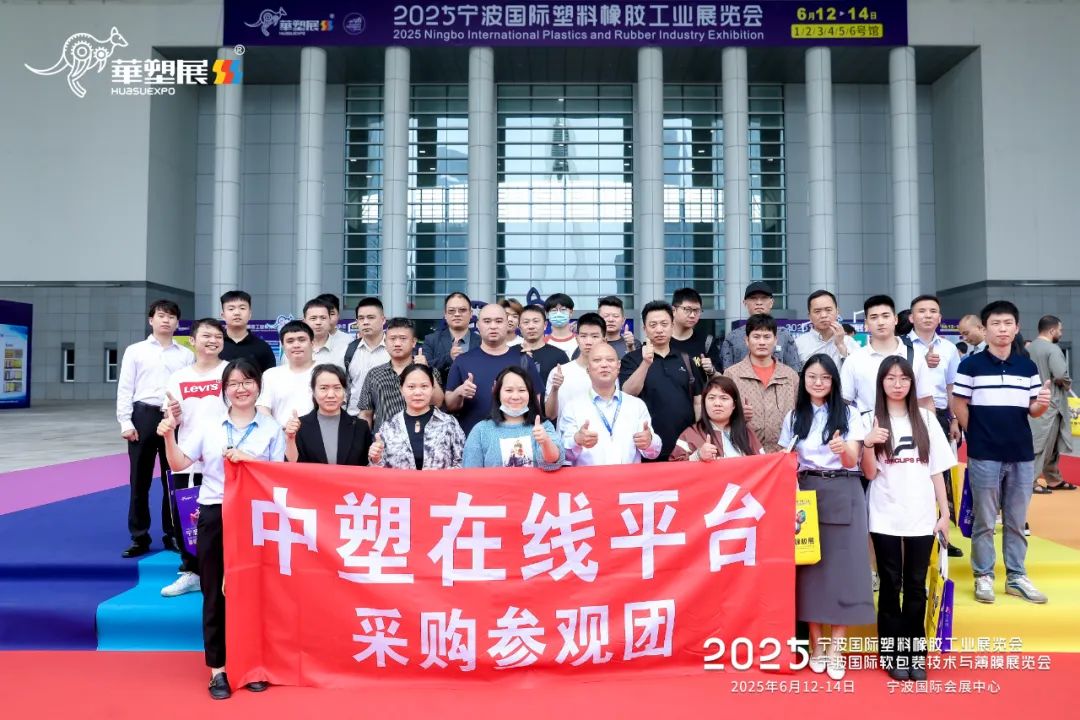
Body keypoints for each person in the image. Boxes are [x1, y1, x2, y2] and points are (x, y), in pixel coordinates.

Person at [158, 358, 283, 700]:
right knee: (214, 591)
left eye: (248, 382)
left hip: (255, 517)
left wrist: (251, 461)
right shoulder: (209, 426)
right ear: (224, 390)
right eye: (234, 383)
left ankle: (252, 663)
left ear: (258, 386)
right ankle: (218, 669)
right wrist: (168, 436)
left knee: (254, 592)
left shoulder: (271, 428)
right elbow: (179, 463)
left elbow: (279, 476)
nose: (241, 389)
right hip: (215, 512)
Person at [778, 354, 872, 681]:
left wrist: (842, 449)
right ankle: (816, 645)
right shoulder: (794, 416)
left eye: (825, 378)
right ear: (803, 380)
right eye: (812, 377)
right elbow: (787, 460)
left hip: (844, 489)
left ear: (834, 381)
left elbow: (852, 460)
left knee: (843, 571)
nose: (818, 383)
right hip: (805, 495)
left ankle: (837, 648)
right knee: (810, 572)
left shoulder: (849, 413)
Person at [952, 300, 1052, 605]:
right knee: (984, 519)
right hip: (984, 454)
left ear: (1017, 328)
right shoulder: (970, 365)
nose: (1002, 329)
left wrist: (1042, 404)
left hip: (1021, 453)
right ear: (984, 329)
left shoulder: (1027, 367)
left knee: (1016, 519)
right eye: (995, 324)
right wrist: (976, 434)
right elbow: (959, 404)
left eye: (1008, 323)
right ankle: (983, 575)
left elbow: (1033, 410)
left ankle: (1016, 576)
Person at [861, 357, 953, 682]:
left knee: (916, 586)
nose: (897, 384)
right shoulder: (869, 419)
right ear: (881, 383)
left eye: (903, 378)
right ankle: (891, 653)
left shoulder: (926, 418)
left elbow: (937, 469)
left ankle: (915, 653)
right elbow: (868, 473)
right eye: (891, 378)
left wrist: (945, 513)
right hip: (884, 513)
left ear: (912, 383)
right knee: (890, 585)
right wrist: (869, 442)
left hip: (921, 514)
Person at [116, 299, 194, 558]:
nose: (166, 320)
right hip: (144, 416)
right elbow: (125, 388)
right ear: (151, 320)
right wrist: (126, 422)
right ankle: (139, 536)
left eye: (171, 316)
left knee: (173, 479)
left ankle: (172, 533)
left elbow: (187, 389)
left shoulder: (186, 355)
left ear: (177, 323)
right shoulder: (135, 351)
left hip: (173, 418)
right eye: (161, 315)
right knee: (139, 480)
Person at [160, 318, 228, 597]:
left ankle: (223, 573)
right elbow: (171, 417)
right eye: (206, 336)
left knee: (221, 520)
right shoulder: (179, 377)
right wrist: (173, 416)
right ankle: (192, 572)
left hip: (223, 458)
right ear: (192, 340)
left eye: (217, 336)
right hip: (187, 457)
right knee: (187, 518)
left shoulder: (229, 371)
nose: (212, 341)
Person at [619, 301, 705, 461]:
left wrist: (700, 435)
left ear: (672, 326)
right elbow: (628, 393)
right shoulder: (631, 359)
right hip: (646, 448)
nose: (659, 329)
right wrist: (646, 363)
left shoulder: (685, 359)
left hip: (684, 448)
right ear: (644, 329)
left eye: (664, 324)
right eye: (653, 325)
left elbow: (698, 402)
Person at [444, 303, 543, 435]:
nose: (493, 326)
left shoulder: (523, 360)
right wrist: (459, 392)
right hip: (473, 437)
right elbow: (450, 405)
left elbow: (536, 403)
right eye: (487, 321)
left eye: (499, 321)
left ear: (507, 324)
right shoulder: (462, 361)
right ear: (478, 325)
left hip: (516, 439)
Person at [561, 342, 661, 465]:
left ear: (618, 366)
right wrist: (576, 440)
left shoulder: (636, 405)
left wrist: (649, 442)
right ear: (588, 369)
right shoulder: (573, 407)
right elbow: (563, 456)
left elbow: (653, 453)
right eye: (597, 360)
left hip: (629, 477)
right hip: (589, 477)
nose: (604, 365)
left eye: (610, 360)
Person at [841, 295, 934, 420]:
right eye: (874, 317)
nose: (880, 322)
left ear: (895, 319)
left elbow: (925, 401)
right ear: (866, 324)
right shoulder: (854, 360)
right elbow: (844, 401)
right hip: (868, 428)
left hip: (909, 427)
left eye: (885, 316)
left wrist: (929, 429)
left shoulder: (915, 356)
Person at [723, 314, 799, 452]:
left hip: (783, 454)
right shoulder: (731, 375)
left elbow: (801, 413)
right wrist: (736, 414)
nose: (762, 342)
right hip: (745, 453)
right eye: (756, 337)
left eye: (767, 337)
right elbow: (719, 416)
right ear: (747, 340)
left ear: (775, 340)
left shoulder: (790, 376)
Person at [463, 367, 564, 469]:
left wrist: (545, 441)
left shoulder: (543, 427)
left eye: (522, 390)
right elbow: (470, 473)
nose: (515, 396)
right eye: (509, 390)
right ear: (498, 393)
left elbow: (553, 462)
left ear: (530, 394)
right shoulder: (481, 430)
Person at [369, 364, 464, 470]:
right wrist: (376, 459)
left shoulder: (449, 423)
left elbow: (463, 462)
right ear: (401, 389)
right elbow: (377, 471)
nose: (418, 392)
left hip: (440, 481)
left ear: (432, 389)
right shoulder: (389, 427)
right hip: (399, 482)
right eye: (411, 387)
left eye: (424, 386)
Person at [357, 317, 443, 432]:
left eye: (403, 338)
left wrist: (425, 370)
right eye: (392, 339)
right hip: (384, 440)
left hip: (422, 438)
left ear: (413, 342)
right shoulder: (374, 374)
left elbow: (438, 403)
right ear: (385, 342)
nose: (397, 343)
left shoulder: (429, 371)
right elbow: (365, 414)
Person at [284, 364, 372, 465]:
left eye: (337, 388)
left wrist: (376, 458)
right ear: (313, 391)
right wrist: (290, 439)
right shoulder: (299, 426)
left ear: (345, 391)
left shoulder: (360, 427)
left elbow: (367, 466)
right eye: (323, 388)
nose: (330, 395)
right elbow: (292, 465)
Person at [906, 295, 962, 444]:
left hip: (940, 415)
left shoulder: (949, 348)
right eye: (922, 311)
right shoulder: (900, 345)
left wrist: (954, 419)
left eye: (933, 311)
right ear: (911, 318)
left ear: (939, 318)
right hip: (908, 413)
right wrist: (921, 364)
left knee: (940, 459)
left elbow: (951, 386)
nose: (928, 315)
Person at [1028, 315, 1074, 492]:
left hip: (1035, 400)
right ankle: (1031, 480)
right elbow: (1061, 374)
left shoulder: (1030, 347)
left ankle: (1053, 478)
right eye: (1060, 330)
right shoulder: (1053, 349)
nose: (1061, 333)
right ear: (1052, 330)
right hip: (1051, 403)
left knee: (1049, 442)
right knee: (1044, 443)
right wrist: (1067, 383)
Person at [669, 376, 762, 461]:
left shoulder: (746, 433)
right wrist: (697, 456)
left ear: (734, 404)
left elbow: (763, 463)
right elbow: (674, 468)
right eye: (711, 398)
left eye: (724, 398)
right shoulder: (691, 434)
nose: (717, 403)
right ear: (704, 403)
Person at [720, 282, 802, 371]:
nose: (759, 303)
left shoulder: (784, 335)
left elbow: (794, 371)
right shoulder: (733, 337)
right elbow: (727, 373)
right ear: (745, 303)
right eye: (753, 298)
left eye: (764, 298)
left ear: (771, 302)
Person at [545, 312, 607, 426]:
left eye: (594, 336)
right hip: (566, 436)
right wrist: (555, 389)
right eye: (583, 336)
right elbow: (550, 415)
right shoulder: (560, 372)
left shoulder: (609, 373)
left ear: (604, 340)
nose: (588, 342)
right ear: (577, 339)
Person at [256, 321, 316, 426]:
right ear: (283, 347)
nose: (296, 345)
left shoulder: (325, 372)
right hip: (280, 434)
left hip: (318, 434)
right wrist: (280, 430)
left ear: (312, 344)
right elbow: (262, 408)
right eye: (290, 341)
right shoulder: (271, 375)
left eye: (302, 340)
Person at [343, 297, 389, 413]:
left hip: (387, 417)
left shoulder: (394, 349)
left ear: (383, 320)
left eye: (371, 317)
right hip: (355, 416)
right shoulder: (349, 350)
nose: (365, 322)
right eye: (361, 318)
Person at [423, 292, 480, 379]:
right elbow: (424, 370)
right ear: (445, 315)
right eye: (451, 311)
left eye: (462, 310)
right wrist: (449, 357)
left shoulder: (481, 341)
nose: (457, 314)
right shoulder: (431, 340)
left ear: (471, 313)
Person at [795, 290, 859, 366]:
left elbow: (857, 371)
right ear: (809, 316)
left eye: (828, 310)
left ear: (837, 312)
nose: (823, 315)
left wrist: (841, 345)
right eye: (817, 311)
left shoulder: (850, 342)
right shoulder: (798, 344)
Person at [218, 290, 276, 373]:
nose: (237, 313)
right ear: (223, 315)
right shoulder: (216, 345)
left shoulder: (262, 347)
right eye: (231, 309)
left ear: (250, 314)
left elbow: (269, 377)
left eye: (242, 308)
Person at [669, 287, 722, 377]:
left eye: (697, 311)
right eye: (687, 310)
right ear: (673, 310)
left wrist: (711, 371)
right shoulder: (661, 340)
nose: (692, 315)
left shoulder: (707, 342)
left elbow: (721, 377)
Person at [519, 304, 570, 386]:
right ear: (520, 327)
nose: (531, 326)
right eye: (526, 322)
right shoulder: (511, 354)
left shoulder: (559, 355)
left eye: (536, 321)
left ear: (545, 325)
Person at [293, 298, 346, 368]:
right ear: (304, 322)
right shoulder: (294, 349)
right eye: (313, 318)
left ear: (329, 320)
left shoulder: (345, 349)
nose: (318, 322)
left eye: (323, 318)